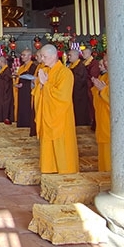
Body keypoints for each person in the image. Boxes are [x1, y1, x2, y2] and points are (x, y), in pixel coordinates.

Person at [33, 44, 79, 174]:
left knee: (61, 144)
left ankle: (65, 171)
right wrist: (40, 85)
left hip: (60, 116)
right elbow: (37, 92)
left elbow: (62, 97)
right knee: (47, 142)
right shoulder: (45, 71)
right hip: (47, 113)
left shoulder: (65, 73)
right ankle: (49, 168)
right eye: (41, 56)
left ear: (54, 56)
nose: (42, 59)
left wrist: (45, 84)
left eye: (44, 56)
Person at [91, 56, 111, 171]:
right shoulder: (104, 76)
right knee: (103, 151)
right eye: (104, 60)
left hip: (111, 121)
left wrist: (103, 90)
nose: (105, 63)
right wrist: (98, 88)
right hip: (102, 118)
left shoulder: (118, 76)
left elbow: (116, 98)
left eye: (107, 60)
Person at [14, 47, 38, 136]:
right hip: (21, 90)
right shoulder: (21, 67)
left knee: (27, 106)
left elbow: (33, 78)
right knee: (22, 106)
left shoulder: (33, 66)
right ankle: (22, 122)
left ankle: (27, 122)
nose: (22, 57)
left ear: (29, 56)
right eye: (22, 55)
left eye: (24, 55)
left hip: (28, 90)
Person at [67, 49, 91, 126]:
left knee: (80, 110)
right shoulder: (71, 65)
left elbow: (80, 80)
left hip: (79, 93)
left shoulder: (80, 66)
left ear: (76, 56)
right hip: (72, 92)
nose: (68, 57)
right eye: (68, 55)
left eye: (70, 55)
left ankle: (81, 124)